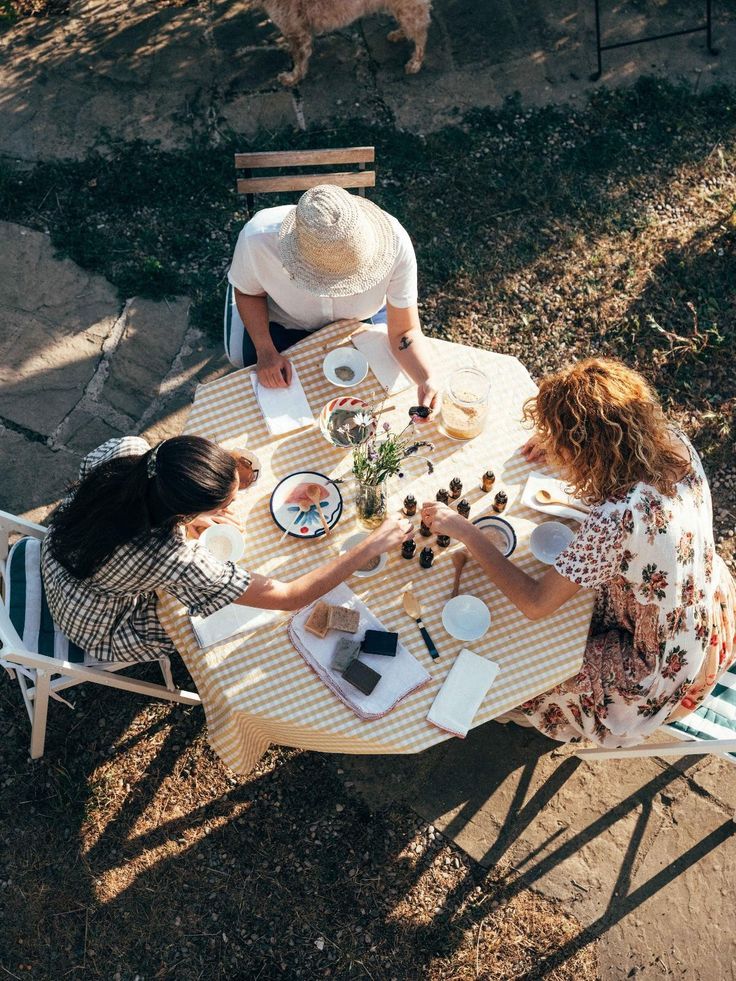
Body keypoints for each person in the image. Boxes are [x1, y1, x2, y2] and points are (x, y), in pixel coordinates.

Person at [421, 358, 736, 748]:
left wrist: (467, 532)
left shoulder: (617, 518)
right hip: (710, 610)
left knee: (525, 666)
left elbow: (535, 603)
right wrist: (562, 442)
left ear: (586, 450)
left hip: (659, 671)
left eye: (559, 443)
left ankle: (527, 712)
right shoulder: (674, 442)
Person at [41, 436, 411, 663]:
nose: (229, 508)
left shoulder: (131, 453)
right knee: (199, 625)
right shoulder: (172, 557)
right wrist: (371, 546)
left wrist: (187, 518)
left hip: (60, 550)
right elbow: (289, 597)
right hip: (96, 624)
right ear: (183, 511)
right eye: (226, 503)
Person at [224, 183, 438, 412]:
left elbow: (404, 332)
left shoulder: (395, 245)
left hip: (360, 324)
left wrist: (426, 379)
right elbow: (248, 293)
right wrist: (265, 351)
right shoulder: (257, 239)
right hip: (285, 326)